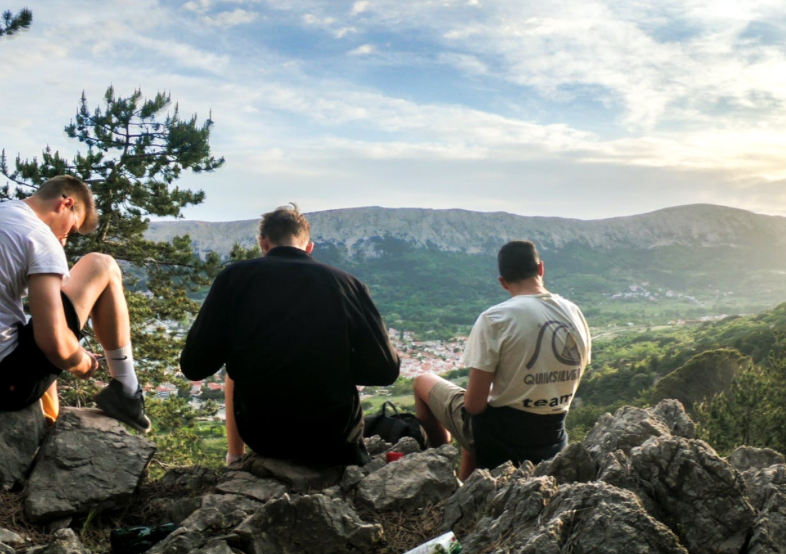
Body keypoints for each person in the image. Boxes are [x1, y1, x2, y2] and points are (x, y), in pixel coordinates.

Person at [179, 204, 400, 466]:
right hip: (334, 437)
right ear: (309, 247)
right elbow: (385, 371)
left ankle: (234, 456)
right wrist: (335, 364)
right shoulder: (348, 284)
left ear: (263, 243)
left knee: (233, 373)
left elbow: (193, 366)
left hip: (264, 436)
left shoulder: (234, 279)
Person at [0, 175, 150, 436]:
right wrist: (82, 362)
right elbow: (54, 343)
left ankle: (49, 416)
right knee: (101, 265)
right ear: (65, 204)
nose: (65, 240)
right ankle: (127, 390)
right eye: (70, 230)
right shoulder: (38, 235)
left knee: (42, 318)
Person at [413, 240, 590, 480]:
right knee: (482, 408)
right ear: (541, 269)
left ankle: (437, 472)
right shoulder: (573, 311)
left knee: (423, 380)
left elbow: (474, 406)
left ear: (502, 282)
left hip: (503, 437)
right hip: (552, 436)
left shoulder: (496, 318)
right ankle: (467, 486)